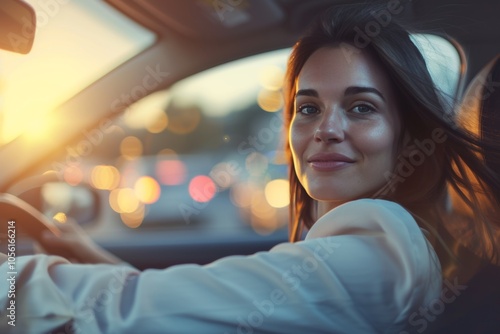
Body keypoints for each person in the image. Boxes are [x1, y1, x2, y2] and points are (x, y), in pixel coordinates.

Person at [1, 3, 499, 333]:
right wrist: (89, 254)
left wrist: (11, 288)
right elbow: (199, 311)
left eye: (362, 107)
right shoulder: (389, 250)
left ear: (408, 134)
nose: (325, 129)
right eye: (307, 108)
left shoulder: (379, 254)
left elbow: (112, 314)